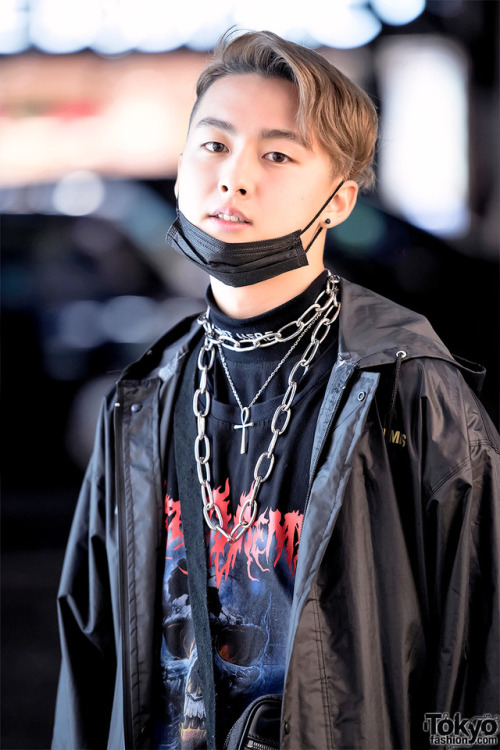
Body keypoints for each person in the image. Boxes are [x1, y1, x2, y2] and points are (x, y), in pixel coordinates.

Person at [52, 29, 500, 750]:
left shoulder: (406, 388)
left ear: (342, 199)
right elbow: (89, 658)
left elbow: (482, 660)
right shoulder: (142, 401)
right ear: (177, 168)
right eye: (213, 144)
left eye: (278, 154)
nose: (233, 177)